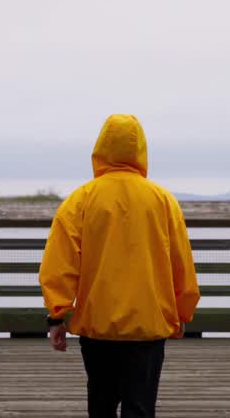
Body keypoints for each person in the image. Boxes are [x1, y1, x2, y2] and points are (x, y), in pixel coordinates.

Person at [39, 114, 200, 418]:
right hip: (148, 327)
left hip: (98, 327)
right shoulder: (163, 200)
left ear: (100, 148)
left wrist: (56, 316)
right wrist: (182, 311)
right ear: (141, 149)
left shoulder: (80, 200)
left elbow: (59, 264)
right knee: (140, 408)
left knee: (101, 405)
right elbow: (181, 262)